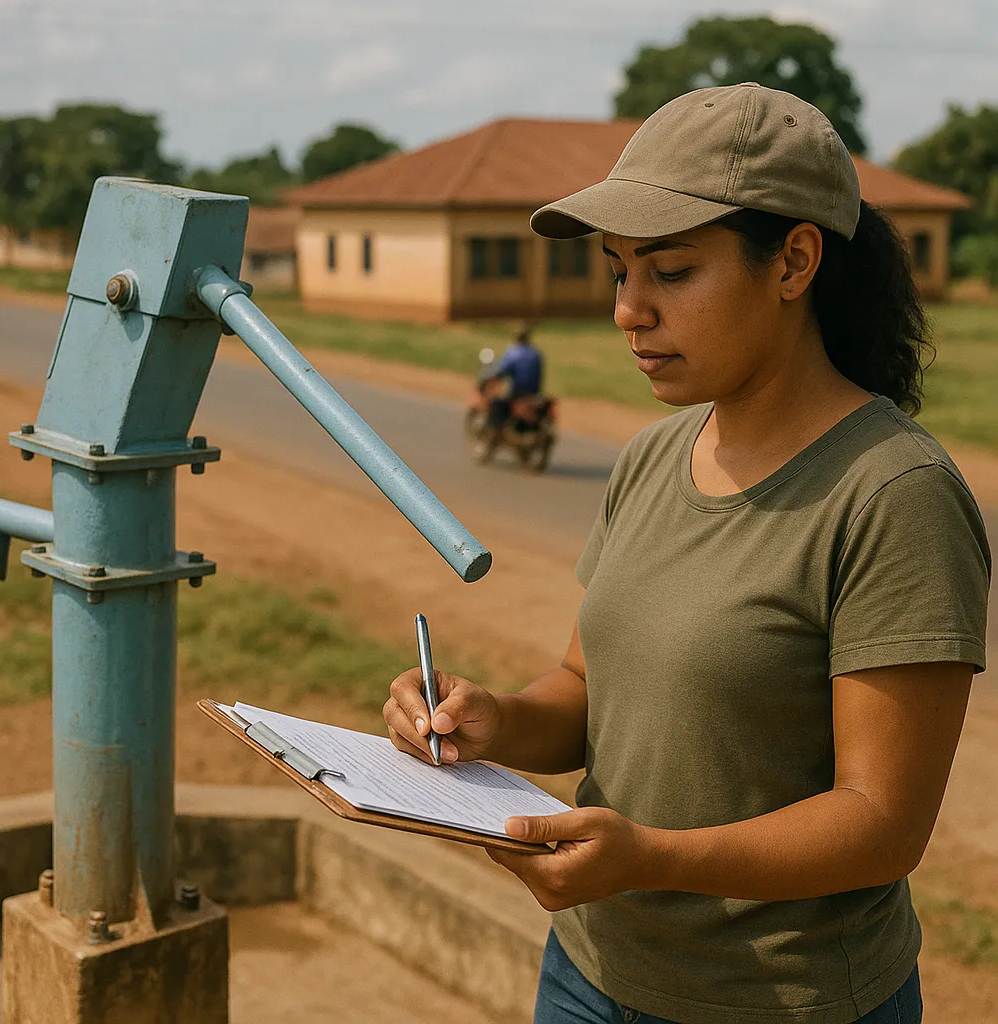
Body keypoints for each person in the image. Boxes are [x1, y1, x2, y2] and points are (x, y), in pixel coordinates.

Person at [384, 82, 990, 1024]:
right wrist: (490, 719)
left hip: (779, 1002)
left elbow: (882, 824)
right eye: (618, 271)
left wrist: (654, 856)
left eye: (669, 272)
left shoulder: (891, 495)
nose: (629, 310)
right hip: (591, 969)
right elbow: (588, 693)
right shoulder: (654, 456)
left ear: (793, 262)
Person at [485, 325, 544, 433]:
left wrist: (493, 378)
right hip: (534, 392)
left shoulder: (513, 352)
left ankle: (497, 430)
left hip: (518, 392)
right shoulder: (536, 353)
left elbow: (502, 370)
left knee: (497, 403)